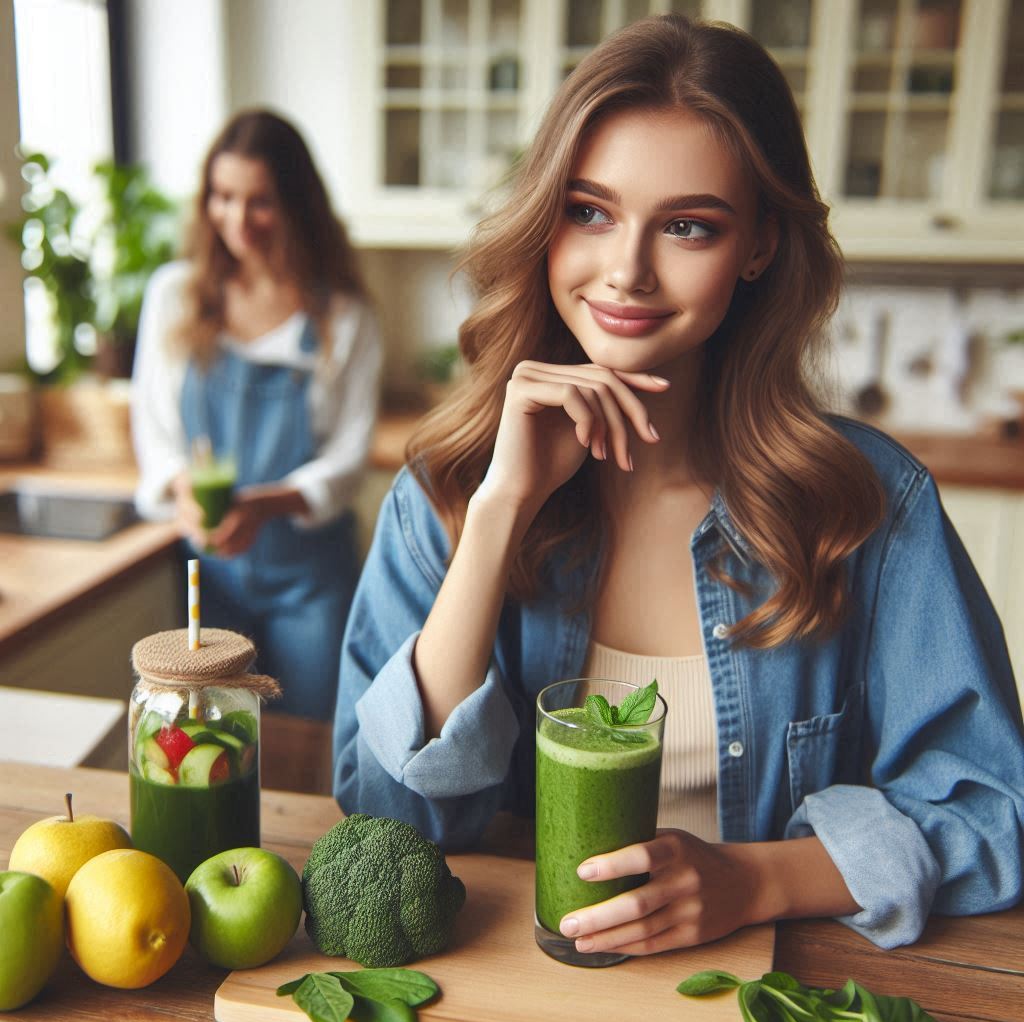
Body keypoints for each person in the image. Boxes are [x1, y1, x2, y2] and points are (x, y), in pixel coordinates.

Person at [332, 14, 1024, 957]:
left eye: (689, 226)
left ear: (760, 246)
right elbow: (386, 826)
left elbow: (991, 814)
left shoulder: (869, 505)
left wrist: (757, 881)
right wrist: (497, 517)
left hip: (776, 987)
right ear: (545, 220)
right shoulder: (450, 491)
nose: (627, 270)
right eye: (589, 211)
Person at [132, 109, 382, 721]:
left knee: (307, 738)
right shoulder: (176, 296)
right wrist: (183, 486)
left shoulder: (343, 317)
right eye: (222, 197)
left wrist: (266, 505)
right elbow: (154, 429)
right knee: (213, 737)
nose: (237, 220)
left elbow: (349, 460)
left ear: (298, 204)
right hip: (208, 581)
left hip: (311, 582)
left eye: (260, 201)